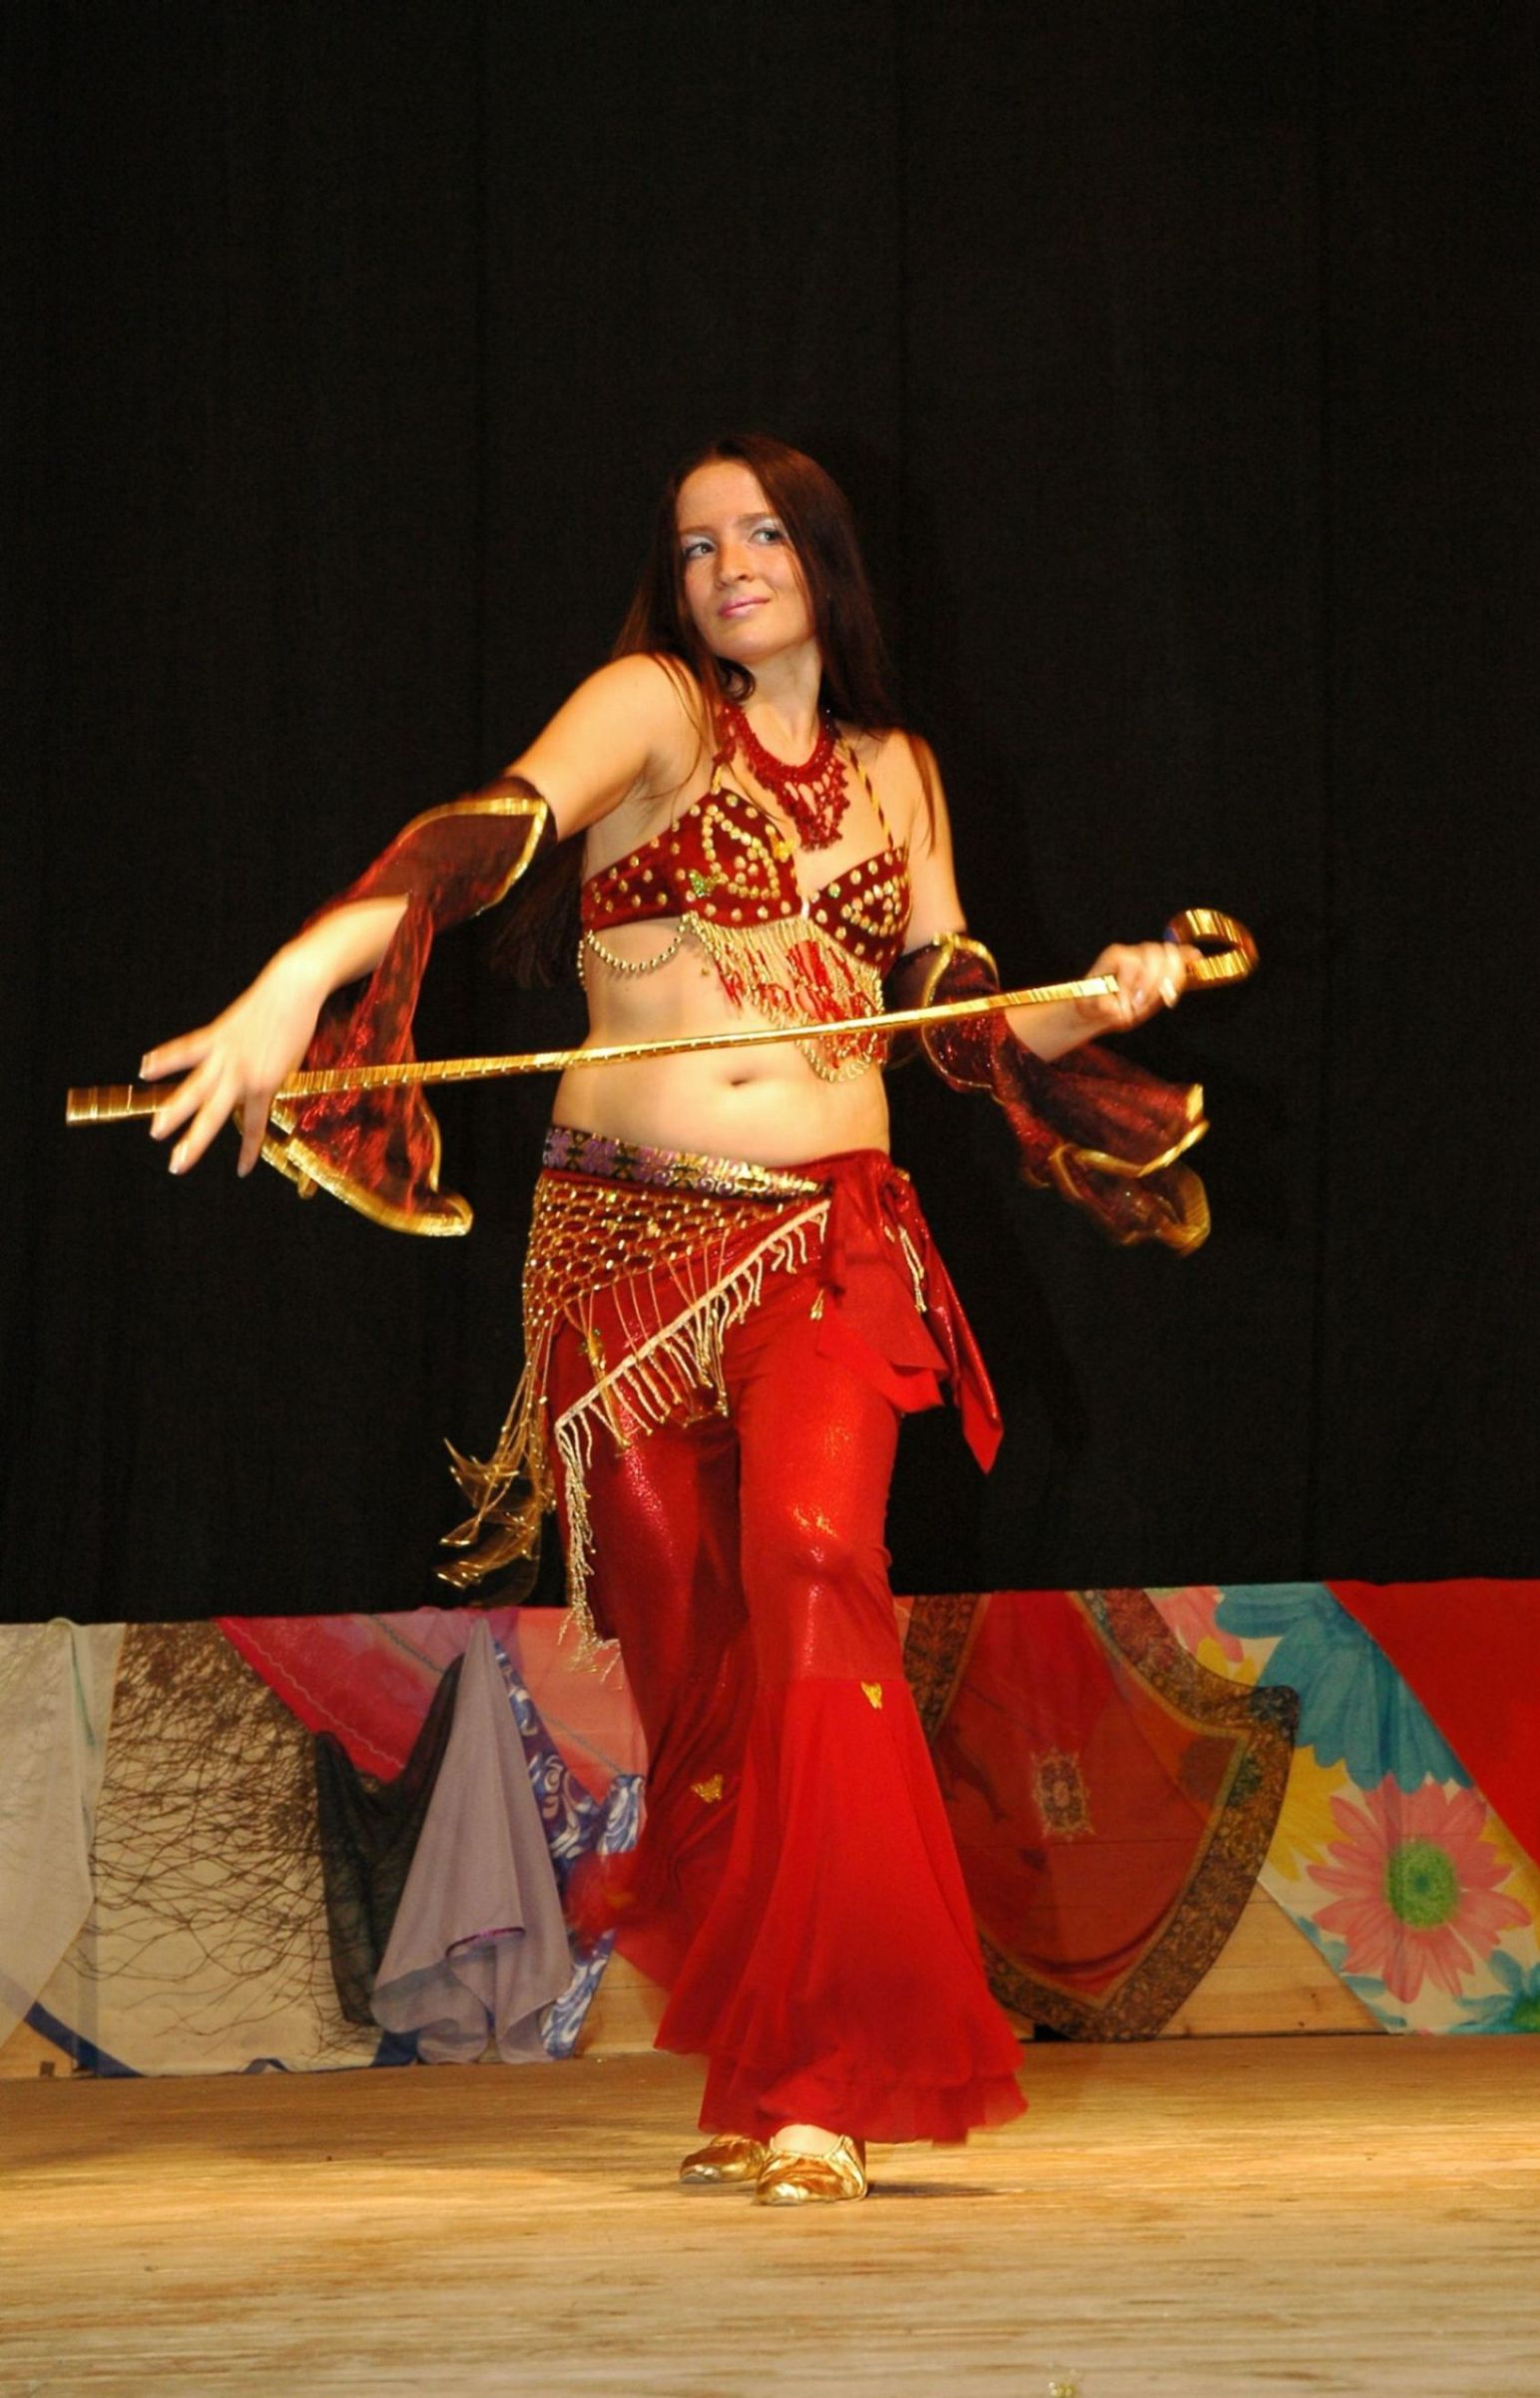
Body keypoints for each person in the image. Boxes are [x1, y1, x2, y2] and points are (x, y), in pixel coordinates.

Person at [141, 433, 1208, 2203]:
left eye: (764, 532)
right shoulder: (650, 709)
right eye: (699, 543)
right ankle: (769, 2057)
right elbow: (480, 841)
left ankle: (830, 2075)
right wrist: (291, 987)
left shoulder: (900, 773)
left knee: (815, 1566)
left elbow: (956, 1020)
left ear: (826, 557)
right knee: (699, 1679)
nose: (730, 565)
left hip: (828, 1237)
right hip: (623, 1256)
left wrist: (1093, 999)